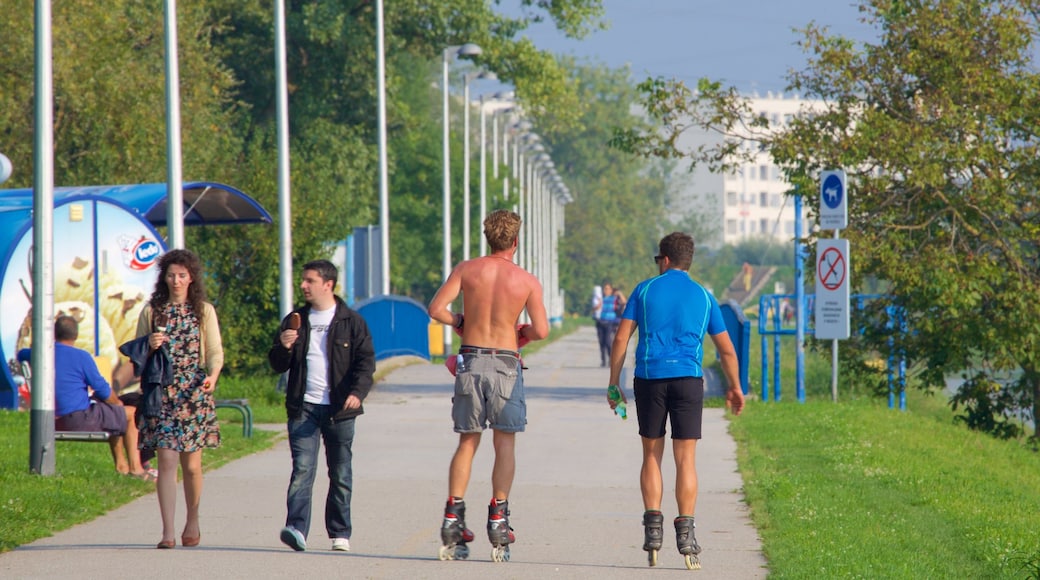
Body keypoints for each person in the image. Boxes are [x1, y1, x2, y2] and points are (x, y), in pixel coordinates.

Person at [607, 232, 746, 569]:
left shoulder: (644, 290)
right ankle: (686, 535)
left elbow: (622, 337)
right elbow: (726, 349)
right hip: (687, 380)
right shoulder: (704, 296)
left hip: (650, 379)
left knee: (651, 454)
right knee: (686, 460)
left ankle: (653, 533)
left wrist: (614, 383)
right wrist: (735, 386)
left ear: (664, 259)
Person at [427, 209, 549, 561]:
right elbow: (541, 331)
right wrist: (521, 333)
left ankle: (453, 516)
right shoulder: (526, 280)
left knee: (467, 440)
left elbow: (437, 308)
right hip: (506, 363)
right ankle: (499, 519)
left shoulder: (467, 270)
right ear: (515, 241)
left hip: (470, 359)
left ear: (487, 237)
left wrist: (461, 320)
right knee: (504, 443)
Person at [269, 259, 375, 553]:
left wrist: (358, 392)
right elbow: (277, 364)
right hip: (304, 407)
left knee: (340, 473)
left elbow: (366, 363)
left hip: (340, 409)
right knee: (302, 469)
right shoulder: (295, 320)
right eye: (303, 280)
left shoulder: (352, 322)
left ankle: (340, 532)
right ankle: (296, 529)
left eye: (310, 281)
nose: (303, 285)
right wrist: (284, 346)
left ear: (328, 284)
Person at [136, 249, 223, 549]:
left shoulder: (204, 311)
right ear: (164, 277)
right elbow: (137, 356)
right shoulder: (152, 311)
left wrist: (213, 375)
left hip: (194, 393)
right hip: (162, 394)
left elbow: (214, 351)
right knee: (167, 459)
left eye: (182, 275)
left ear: (191, 278)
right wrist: (149, 344)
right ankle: (167, 531)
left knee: (192, 466)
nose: (176, 280)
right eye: (171, 275)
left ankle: (193, 519)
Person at [17, 315, 149, 479]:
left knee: (112, 413)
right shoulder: (81, 357)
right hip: (77, 419)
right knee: (128, 413)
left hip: (48, 420)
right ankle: (136, 470)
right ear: (75, 336)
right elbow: (103, 390)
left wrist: (37, 347)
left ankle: (122, 466)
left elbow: (21, 354)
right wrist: (117, 403)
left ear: (54, 334)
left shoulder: (38, 354)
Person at [596, 282, 622, 367]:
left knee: (608, 341)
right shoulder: (601, 299)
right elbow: (595, 309)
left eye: (608, 289)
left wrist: (619, 293)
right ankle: (603, 361)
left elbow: (624, 302)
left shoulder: (614, 298)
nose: (606, 290)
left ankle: (611, 360)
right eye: (605, 289)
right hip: (600, 321)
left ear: (611, 290)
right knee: (601, 342)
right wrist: (598, 305)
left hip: (610, 322)